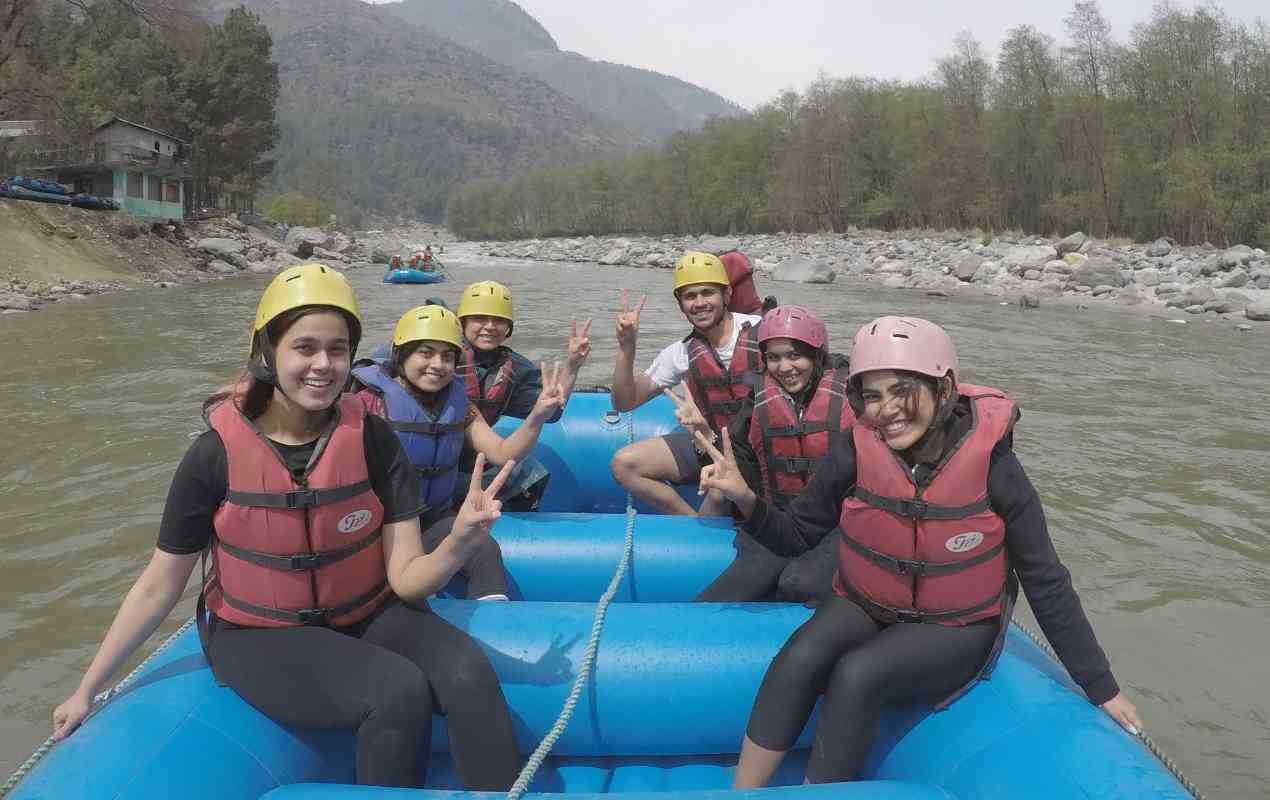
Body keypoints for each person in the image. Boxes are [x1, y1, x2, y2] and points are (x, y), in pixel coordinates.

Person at [50, 264, 522, 790]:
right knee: (397, 690)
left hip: (364, 606)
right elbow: (160, 584)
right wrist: (87, 689)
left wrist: (458, 543)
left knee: (469, 672)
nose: (323, 365)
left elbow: (408, 580)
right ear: (267, 351)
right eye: (305, 347)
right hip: (260, 634)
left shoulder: (372, 440)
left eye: (338, 349)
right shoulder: (214, 456)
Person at [696, 316, 1143, 785]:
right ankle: (742, 792)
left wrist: (1100, 686)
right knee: (799, 657)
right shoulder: (856, 449)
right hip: (867, 601)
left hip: (955, 626)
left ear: (943, 387)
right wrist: (745, 497)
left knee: (857, 676)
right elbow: (796, 536)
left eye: (902, 390)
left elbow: (1045, 577)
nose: (886, 410)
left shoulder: (997, 468)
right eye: (871, 395)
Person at [351, 303, 571, 600]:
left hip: (432, 519)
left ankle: (494, 630)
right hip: (378, 526)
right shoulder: (365, 405)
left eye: (447, 356)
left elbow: (502, 452)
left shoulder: (460, 406)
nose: (438, 365)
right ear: (400, 355)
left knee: (484, 550)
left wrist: (537, 417)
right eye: (425, 353)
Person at [685, 305, 851, 603]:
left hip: (836, 525)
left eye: (794, 355)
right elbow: (739, 463)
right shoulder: (758, 401)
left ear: (817, 354)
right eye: (773, 358)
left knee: (800, 584)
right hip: (779, 519)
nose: (784, 368)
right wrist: (704, 437)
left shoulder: (852, 397)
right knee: (724, 595)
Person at [610, 252, 763, 515]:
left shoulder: (764, 332)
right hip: (712, 443)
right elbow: (625, 402)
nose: (699, 303)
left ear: (726, 295)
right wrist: (627, 348)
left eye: (708, 293)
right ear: (680, 303)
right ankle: (688, 523)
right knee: (624, 464)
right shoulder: (679, 353)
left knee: (718, 491)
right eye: (690, 296)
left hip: (763, 447)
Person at [453, 280, 591, 509]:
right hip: (433, 458)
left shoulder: (515, 368)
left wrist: (573, 365)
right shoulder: (440, 355)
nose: (489, 326)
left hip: (473, 454)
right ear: (463, 322)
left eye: (498, 320)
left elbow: (553, 412)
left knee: (528, 475)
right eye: (479, 319)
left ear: (508, 327)